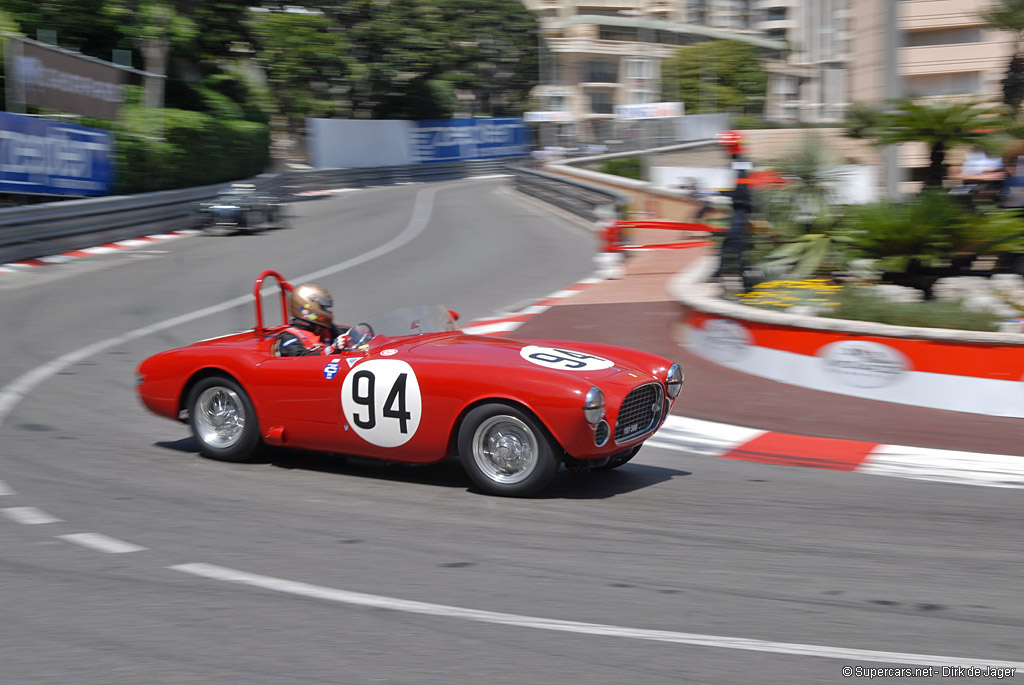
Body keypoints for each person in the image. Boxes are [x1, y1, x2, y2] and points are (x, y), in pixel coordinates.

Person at [273, 283, 349, 357]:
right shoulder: (289, 336)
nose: (327, 311)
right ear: (309, 308)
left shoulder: (326, 329)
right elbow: (299, 362)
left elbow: (349, 337)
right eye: (323, 308)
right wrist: (331, 349)